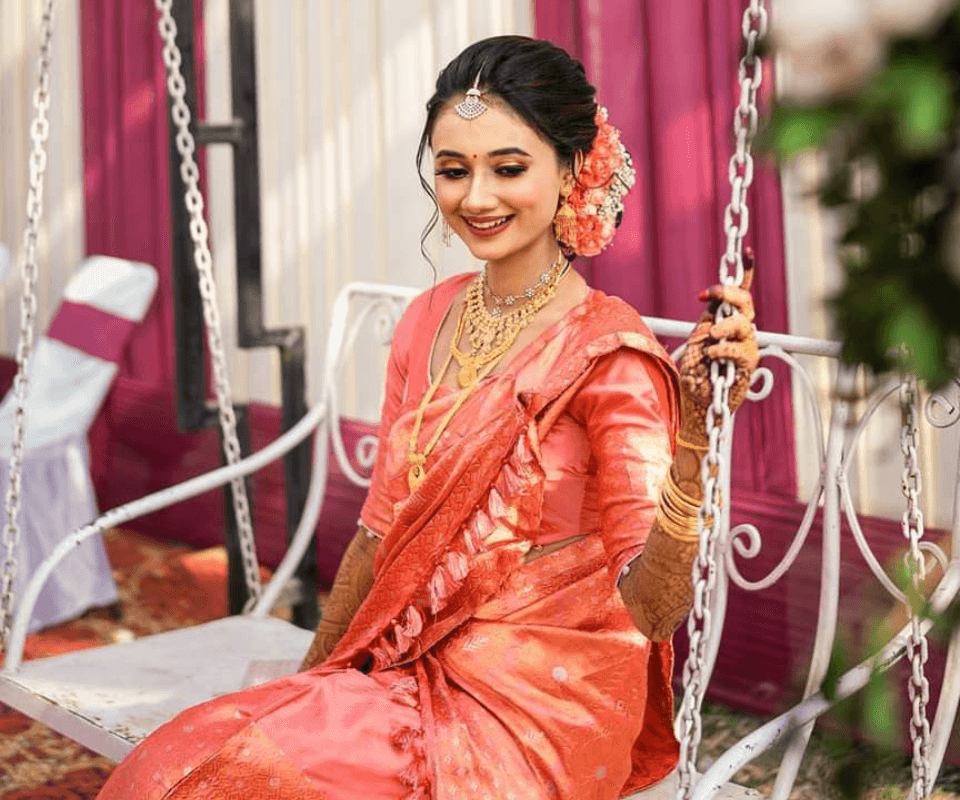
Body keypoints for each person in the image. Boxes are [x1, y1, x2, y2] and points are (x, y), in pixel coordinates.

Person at [97, 35, 758, 800]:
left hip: (542, 709)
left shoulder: (608, 355)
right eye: (453, 170)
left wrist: (695, 439)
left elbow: (654, 608)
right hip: (410, 665)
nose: (477, 198)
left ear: (574, 168)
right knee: (185, 763)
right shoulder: (428, 319)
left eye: (508, 168)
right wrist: (311, 686)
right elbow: (379, 533)